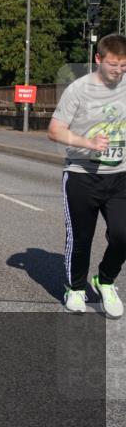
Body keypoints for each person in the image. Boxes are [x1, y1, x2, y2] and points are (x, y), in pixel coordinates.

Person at [47, 34, 126, 318]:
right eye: (113, 64)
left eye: (124, 65)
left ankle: (105, 280)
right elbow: (55, 130)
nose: (118, 71)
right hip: (81, 175)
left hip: (119, 176)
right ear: (98, 59)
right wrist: (88, 143)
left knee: (122, 235)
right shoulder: (78, 90)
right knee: (81, 238)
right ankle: (76, 288)